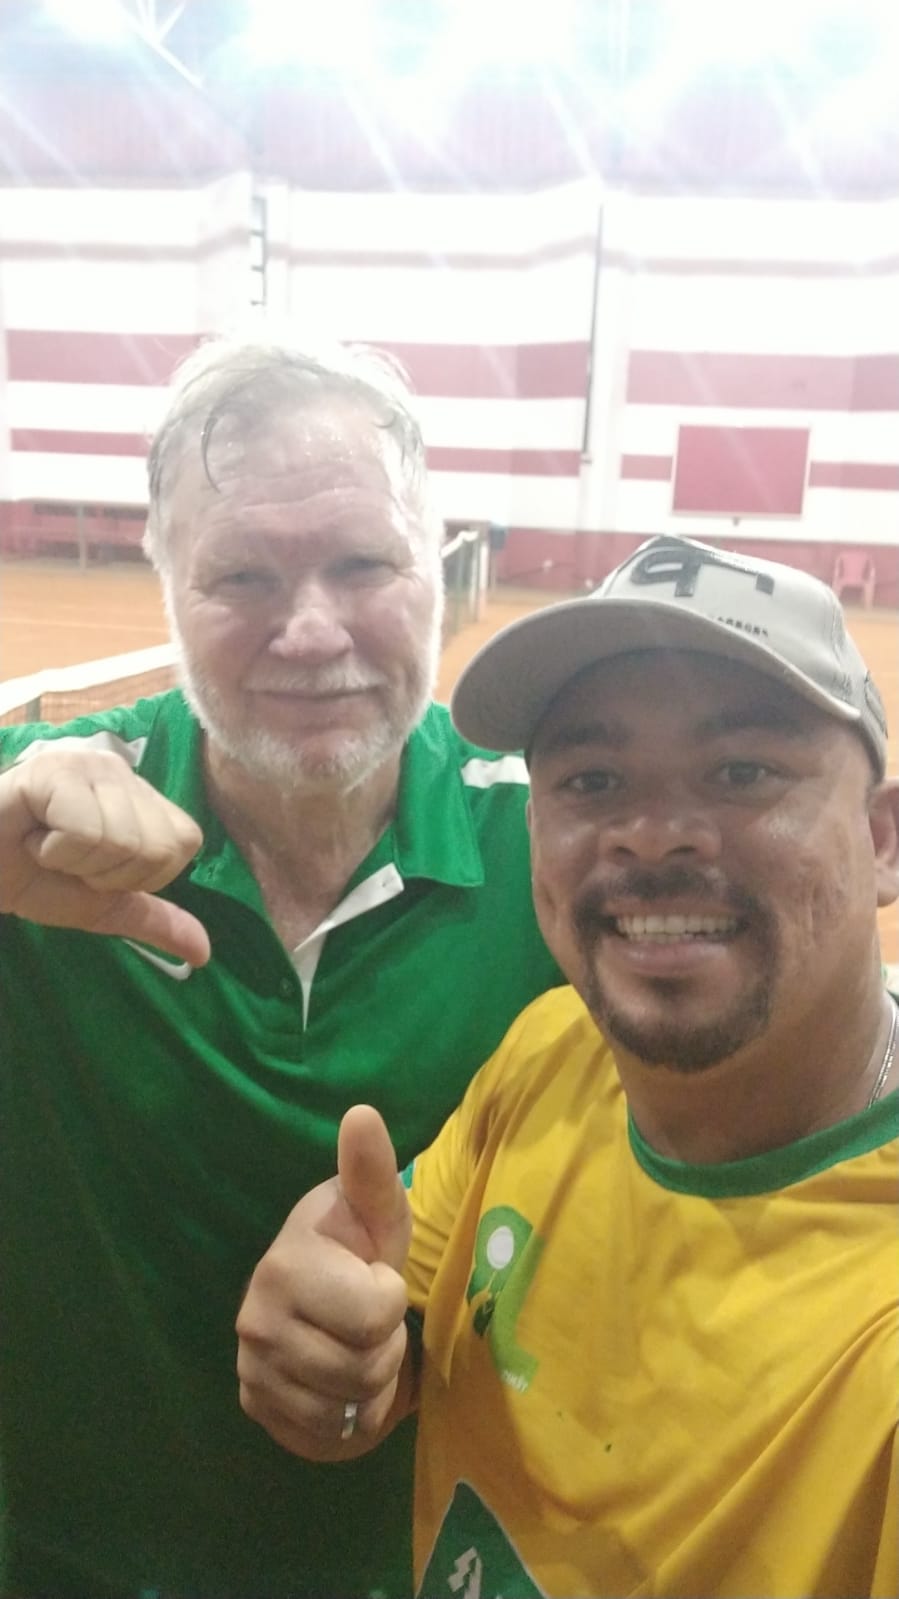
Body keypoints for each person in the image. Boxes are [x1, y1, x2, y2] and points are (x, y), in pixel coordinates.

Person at [0, 338, 561, 1599]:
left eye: (362, 564)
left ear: (434, 564)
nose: (310, 632)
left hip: (431, 1561)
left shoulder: (554, 850)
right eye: (240, 575)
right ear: (164, 582)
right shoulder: (34, 828)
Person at [237, 534, 899, 1599]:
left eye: (740, 771)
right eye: (591, 779)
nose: (652, 836)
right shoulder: (554, 1050)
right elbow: (407, 1329)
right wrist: (338, 1357)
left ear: (883, 838)